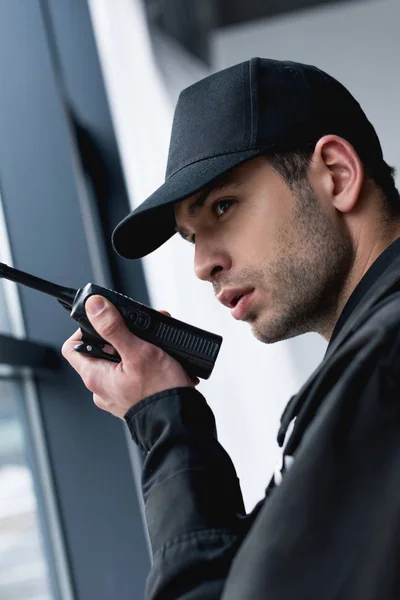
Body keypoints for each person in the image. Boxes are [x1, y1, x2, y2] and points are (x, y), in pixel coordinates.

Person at [62, 58, 400, 599]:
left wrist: (165, 421)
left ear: (336, 175)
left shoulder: (384, 367)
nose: (202, 265)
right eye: (190, 237)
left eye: (223, 205)